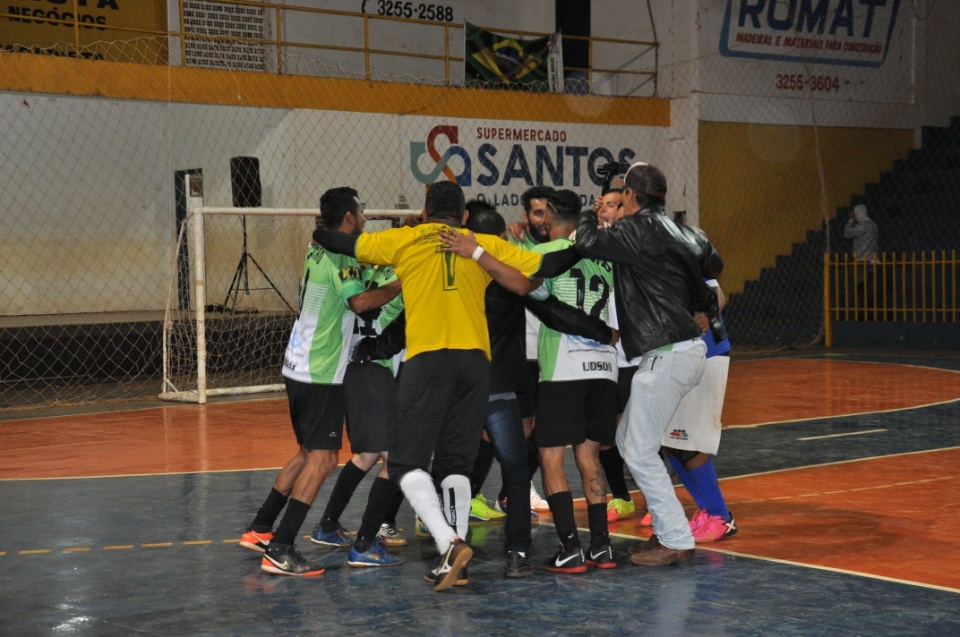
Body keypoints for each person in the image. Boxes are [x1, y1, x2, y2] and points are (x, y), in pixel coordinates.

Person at [311, 180, 579, 590]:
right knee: (457, 465)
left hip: (427, 359)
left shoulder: (403, 239)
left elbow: (347, 246)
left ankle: (449, 543)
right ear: (464, 215)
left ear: (423, 210)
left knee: (402, 462)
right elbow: (541, 266)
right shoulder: (480, 243)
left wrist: (320, 232)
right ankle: (458, 563)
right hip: (475, 365)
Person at [239, 187, 401, 577]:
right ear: (349, 217)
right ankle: (281, 547)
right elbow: (359, 303)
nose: (363, 216)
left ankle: (262, 527)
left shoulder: (317, 249)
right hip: (320, 370)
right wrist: (404, 284)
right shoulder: (340, 253)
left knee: (305, 452)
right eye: (360, 211)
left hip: (297, 363)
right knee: (324, 458)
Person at [575, 163, 724, 566]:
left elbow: (587, 242)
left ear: (631, 197)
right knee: (628, 443)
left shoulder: (634, 229)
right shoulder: (686, 232)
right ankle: (668, 530)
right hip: (685, 350)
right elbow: (714, 265)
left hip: (668, 352)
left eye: (621, 194)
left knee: (638, 451)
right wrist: (693, 300)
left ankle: (675, 538)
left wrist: (591, 212)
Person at [532, 189, 620, 573]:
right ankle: (601, 546)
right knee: (590, 456)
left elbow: (534, 297)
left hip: (563, 369)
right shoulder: (604, 256)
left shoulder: (544, 254)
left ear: (549, 215)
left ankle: (570, 547)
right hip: (604, 367)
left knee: (551, 457)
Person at [307, 260, 408, 567]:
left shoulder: (353, 273)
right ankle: (364, 544)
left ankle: (328, 525)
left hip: (353, 369)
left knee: (366, 456)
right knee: (396, 459)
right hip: (374, 372)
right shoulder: (401, 277)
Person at [658, 278, 737, 543]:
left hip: (703, 353)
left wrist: (706, 314)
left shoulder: (683, 245)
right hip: (676, 355)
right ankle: (708, 511)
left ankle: (720, 516)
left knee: (685, 439)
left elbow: (719, 294)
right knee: (671, 441)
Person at [506, 185, 556, 514]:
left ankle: (515, 490)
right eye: (537, 213)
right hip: (522, 350)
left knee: (548, 428)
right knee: (522, 428)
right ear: (525, 215)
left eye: (548, 212)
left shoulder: (562, 245)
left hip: (554, 351)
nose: (543, 219)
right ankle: (517, 491)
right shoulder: (512, 242)